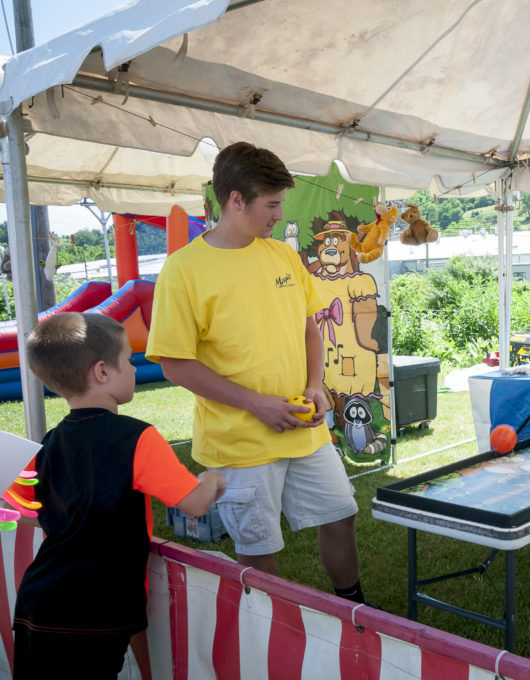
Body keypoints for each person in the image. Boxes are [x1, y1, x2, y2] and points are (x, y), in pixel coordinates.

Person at [146, 141, 369, 604]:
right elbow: (174, 364)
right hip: (239, 442)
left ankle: (354, 608)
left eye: (281, 203)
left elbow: (309, 327)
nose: (279, 215)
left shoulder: (282, 256)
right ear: (235, 200)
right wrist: (257, 405)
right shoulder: (183, 270)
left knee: (340, 514)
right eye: (272, 204)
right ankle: (270, 634)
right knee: (259, 551)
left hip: (303, 428)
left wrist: (315, 386)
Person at [14, 312, 226, 679]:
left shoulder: (49, 443)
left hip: (37, 603)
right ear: (102, 372)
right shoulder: (137, 437)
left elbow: (33, 508)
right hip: (96, 608)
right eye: (128, 359)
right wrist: (212, 479)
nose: (133, 368)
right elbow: (194, 502)